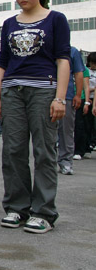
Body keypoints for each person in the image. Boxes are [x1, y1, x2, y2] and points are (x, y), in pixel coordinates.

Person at [0, 0, 70, 234]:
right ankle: (16, 207)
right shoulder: (9, 24)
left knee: (44, 151)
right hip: (13, 91)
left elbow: (63, 60)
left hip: (44, 91)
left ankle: (44, 212)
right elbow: (2, 63)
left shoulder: (56, 19)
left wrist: (60, 97)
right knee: (12, 150)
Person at [56, 46, 84, 175]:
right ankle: (48, 162)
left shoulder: (72, 51)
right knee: (46, 131)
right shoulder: (47, 48)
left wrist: (78, 95)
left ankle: (66, 161)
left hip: (66, 96)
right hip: (46, 94)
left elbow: (79, 73)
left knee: (66, 130)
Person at [73, 52, 95, 160]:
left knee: (80, 126)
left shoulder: (84, 71)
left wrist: (86, 102)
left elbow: (86, 87)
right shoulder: (67, 68)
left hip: (81, 99)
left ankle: (80, 150)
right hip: (68, 98)